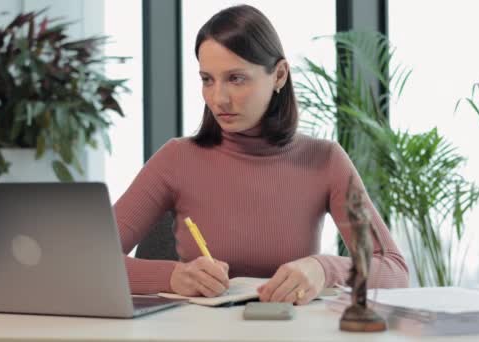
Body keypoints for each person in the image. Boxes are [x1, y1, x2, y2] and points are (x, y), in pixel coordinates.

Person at [113, 4, 408, 305]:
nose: (219, 98)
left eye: (236, 78)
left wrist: (324, 268)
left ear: (279, 75)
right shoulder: (176, 159)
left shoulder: (325, 160)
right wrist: (172, 276)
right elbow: (85, 260)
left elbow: (394, 269)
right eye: (207, 79)